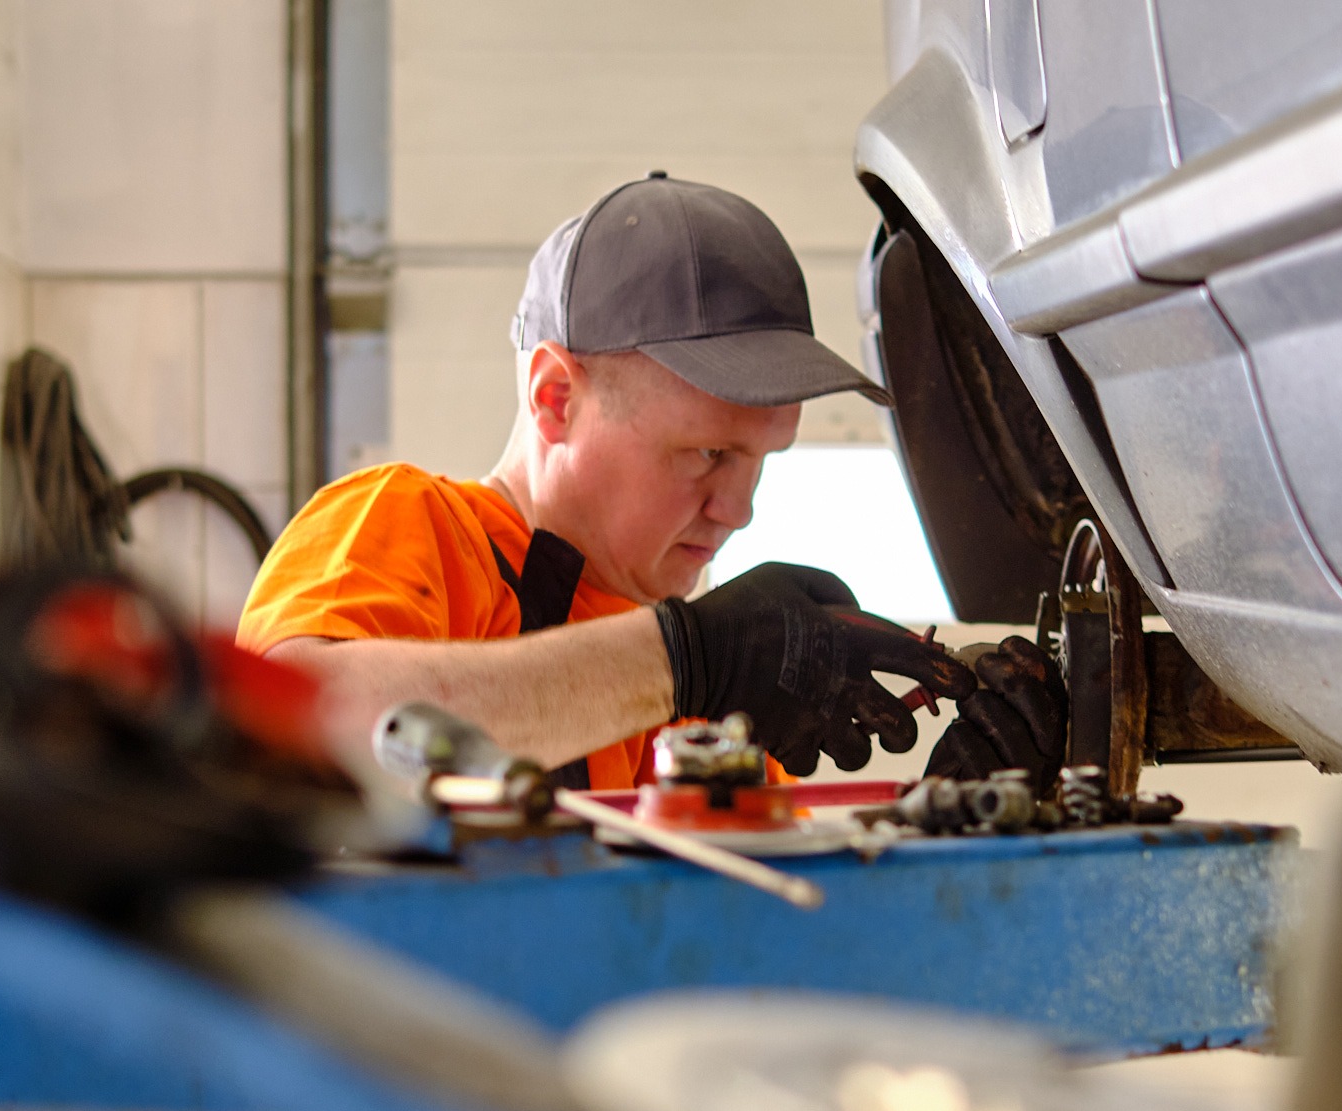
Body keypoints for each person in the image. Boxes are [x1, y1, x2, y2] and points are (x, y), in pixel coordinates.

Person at [237, 173, 978, 786]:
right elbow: (281, 723)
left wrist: (958, 813)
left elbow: (778, 907)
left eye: (762, 459)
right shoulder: (409, 524)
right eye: (708, 453)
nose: (738, 510)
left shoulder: (695, 700)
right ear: (556, 397)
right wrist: (679, 657)